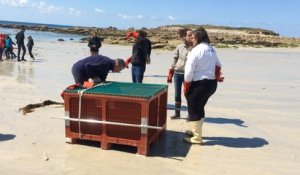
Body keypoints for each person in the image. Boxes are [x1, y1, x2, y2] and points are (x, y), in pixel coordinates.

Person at [183, 27, 224, 144]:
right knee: (200, 107)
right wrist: (216, 76)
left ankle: (196, 138)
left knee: (193, 109)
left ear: (198, 38)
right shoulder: (211, 49)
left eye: (193, 37)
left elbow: (189, 71)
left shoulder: (195, 51)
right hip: (211, 84)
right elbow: (218, 65)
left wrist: (186, 86)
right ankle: (195, 131)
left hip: (199, 84)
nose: (191, 39)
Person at [167, 28, 193, 119]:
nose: (191, 37)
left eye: (192, 35)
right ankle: (177, 113)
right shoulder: (179, 47)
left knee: (188, 94)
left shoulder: (195, 48)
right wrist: (171, 69)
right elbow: (175, 58)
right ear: (184, 37)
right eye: (189, 35)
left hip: (188, 75)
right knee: (177, 94)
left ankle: (190, 114)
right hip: (178, 73)